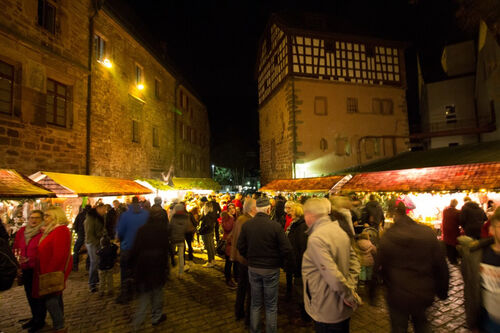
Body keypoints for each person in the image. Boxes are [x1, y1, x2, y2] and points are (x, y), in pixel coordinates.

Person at [371, 202, 449, 333]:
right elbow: (441, 265)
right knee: (422, 324)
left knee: (399, 328)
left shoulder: (389, 236)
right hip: (422, 292)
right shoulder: (427, 233)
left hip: (397, 294)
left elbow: (377, 265)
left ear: (395, 216)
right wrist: (442, 290)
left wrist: (372, 291)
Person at [301, 198, 361, 333]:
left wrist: (349, 296)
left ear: (309, 215)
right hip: (341, 308)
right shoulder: (339, 230)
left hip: (326, 309)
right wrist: (351, 286)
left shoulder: (316, 239)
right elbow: (355, 262)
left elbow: (332, 274)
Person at [237, 197, 293, 333]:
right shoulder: (275, 226)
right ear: (268, 209)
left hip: (254, 267)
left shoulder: (247, 225)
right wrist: (278, 261)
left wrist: (250, 258)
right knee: (270, 305)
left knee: (255, 303)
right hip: (270, 269)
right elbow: (287, 249)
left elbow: (240, 246)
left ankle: (254, 330)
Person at [458, 207, 500, 333]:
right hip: (488, 322)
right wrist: (472, 322)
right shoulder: (475, 256)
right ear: (492, 229)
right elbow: (470, 290)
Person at [129, 205, 170, 331]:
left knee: (145, 297)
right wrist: (166, 267)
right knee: (157, 293)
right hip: (157, 266)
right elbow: (165, 250)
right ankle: (156, 317)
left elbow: (135, 250)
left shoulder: (142, 230)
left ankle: (137, 323)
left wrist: (132, 266)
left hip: (143, 267)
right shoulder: (162, 230)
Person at [34, 207, 72, 333]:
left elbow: (59, 255)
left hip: (52, 272)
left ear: (56, 216)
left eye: (47, 215)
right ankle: (60, 322)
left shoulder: (61, 230)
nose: (44, 218)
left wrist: (50, 273)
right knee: (55, 297)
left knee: (50, 299)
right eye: (44, 215)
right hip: (47, 270)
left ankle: (59, 326)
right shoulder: (51, 230)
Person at [12, 210, 46, 332]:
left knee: (38, 295)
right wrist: (18, 261)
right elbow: (16, 246)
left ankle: (40, 320)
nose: (33, 220)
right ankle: (34, 317)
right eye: (31, 217)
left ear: (41, 219)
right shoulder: (22, 231)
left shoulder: (43, 232)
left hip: (37, 268)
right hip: (25, 267)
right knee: (29, 294)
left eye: (37, 218)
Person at [116, 196, 149, 304]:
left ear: (130, 203)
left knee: (125, 271)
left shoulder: (125, 215)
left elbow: (120, 232)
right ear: (139, 203)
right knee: (139, 269)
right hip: (141, 248)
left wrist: (122, 239)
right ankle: (139, 289)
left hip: (128, 247)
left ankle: (126, 293)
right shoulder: (145, 214)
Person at [231, 198, 256, 325]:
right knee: (250, 290)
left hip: (240, 259)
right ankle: (248, 318)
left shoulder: (241, 219)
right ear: (252, 208)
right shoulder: (248, 221)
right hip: (247, 260)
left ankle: (238, 311)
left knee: (242, 288)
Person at [285, 202, 310, 326]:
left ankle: (305, 317)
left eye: (292, 210)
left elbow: (301, 248)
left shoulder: (300, 227)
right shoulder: (296, 224)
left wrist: (297, 265)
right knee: (300, 291)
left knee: (301, 291)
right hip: (296, 263)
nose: (288, 212)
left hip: (300, 265)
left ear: (298, 212)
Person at [84, 202, 107, 292]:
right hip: (92, 242)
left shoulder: (99, 217)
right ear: (98, 208)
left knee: (96, 261)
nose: (105, 211)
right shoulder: (90, 218)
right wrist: (102, 234)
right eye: (104, 209)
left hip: (96, 242)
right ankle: (92, 283)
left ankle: (96, 281)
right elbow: (90, 232)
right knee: (94, 262)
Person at [169, 204, 190, 278]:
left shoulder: (173, 217)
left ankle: (170, 272)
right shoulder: (186, 217)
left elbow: (170, 226)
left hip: (173, 238)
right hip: (181, 238)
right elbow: (187, 228)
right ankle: (180, 273)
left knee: (172, 256)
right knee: (181, 257)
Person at [442, 199, 461, 264]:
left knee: (447, 244)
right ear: (456, 204)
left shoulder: (445, 210)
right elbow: (459, 222)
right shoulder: (457, 212)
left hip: (446, 229)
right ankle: (453, 260)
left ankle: (449, 259)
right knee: (453, 244)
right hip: (453, 230)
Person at [72, 205, 90, 272]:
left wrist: (77, 231)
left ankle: (75, 266)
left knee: (76, 250)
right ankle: (88, 266)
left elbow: (75, 224)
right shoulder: (91, 216)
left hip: (81, 234)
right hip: (88, 235)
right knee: (89, 251)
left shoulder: (80, 215)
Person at [221, 211, 237, 288]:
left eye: (233, 208)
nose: (232, 210)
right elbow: (227, 228)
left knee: (234, 262)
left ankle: (233, 278)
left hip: (234, 242)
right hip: (230, 243)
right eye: (229, 208)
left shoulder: (235, 218)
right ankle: (229, 279)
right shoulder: (229, 219)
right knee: (229, 262)